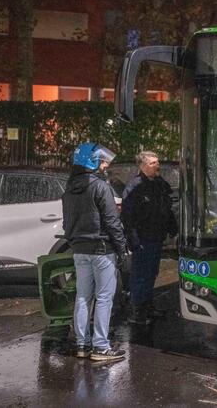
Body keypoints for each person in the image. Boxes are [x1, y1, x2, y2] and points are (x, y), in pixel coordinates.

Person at [62, 142, 127, 362]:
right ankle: (100, 346)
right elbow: (112, 221)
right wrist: (122, 249)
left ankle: (82, 344)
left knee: (83, 296)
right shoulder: (100, 187)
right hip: (101, 249)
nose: (106, 165)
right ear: (93, 162)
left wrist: (73, 241)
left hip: (80, 250)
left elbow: (67, 223)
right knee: (104, 298)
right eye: (102, 161)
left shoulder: (70, 188)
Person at [122, 151, 177, 325]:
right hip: (143, 239)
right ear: (143, 166)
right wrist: (133, 240)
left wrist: (172, 229)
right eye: (153, 163)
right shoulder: (135, 187)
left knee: (151, 273)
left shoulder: (159, 184)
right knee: (140, 275)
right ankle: (137, 311)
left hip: (156, 237)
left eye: (157, 162)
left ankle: (147, 306)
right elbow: (128, 217)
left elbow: (167, 209)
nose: (157, 165)